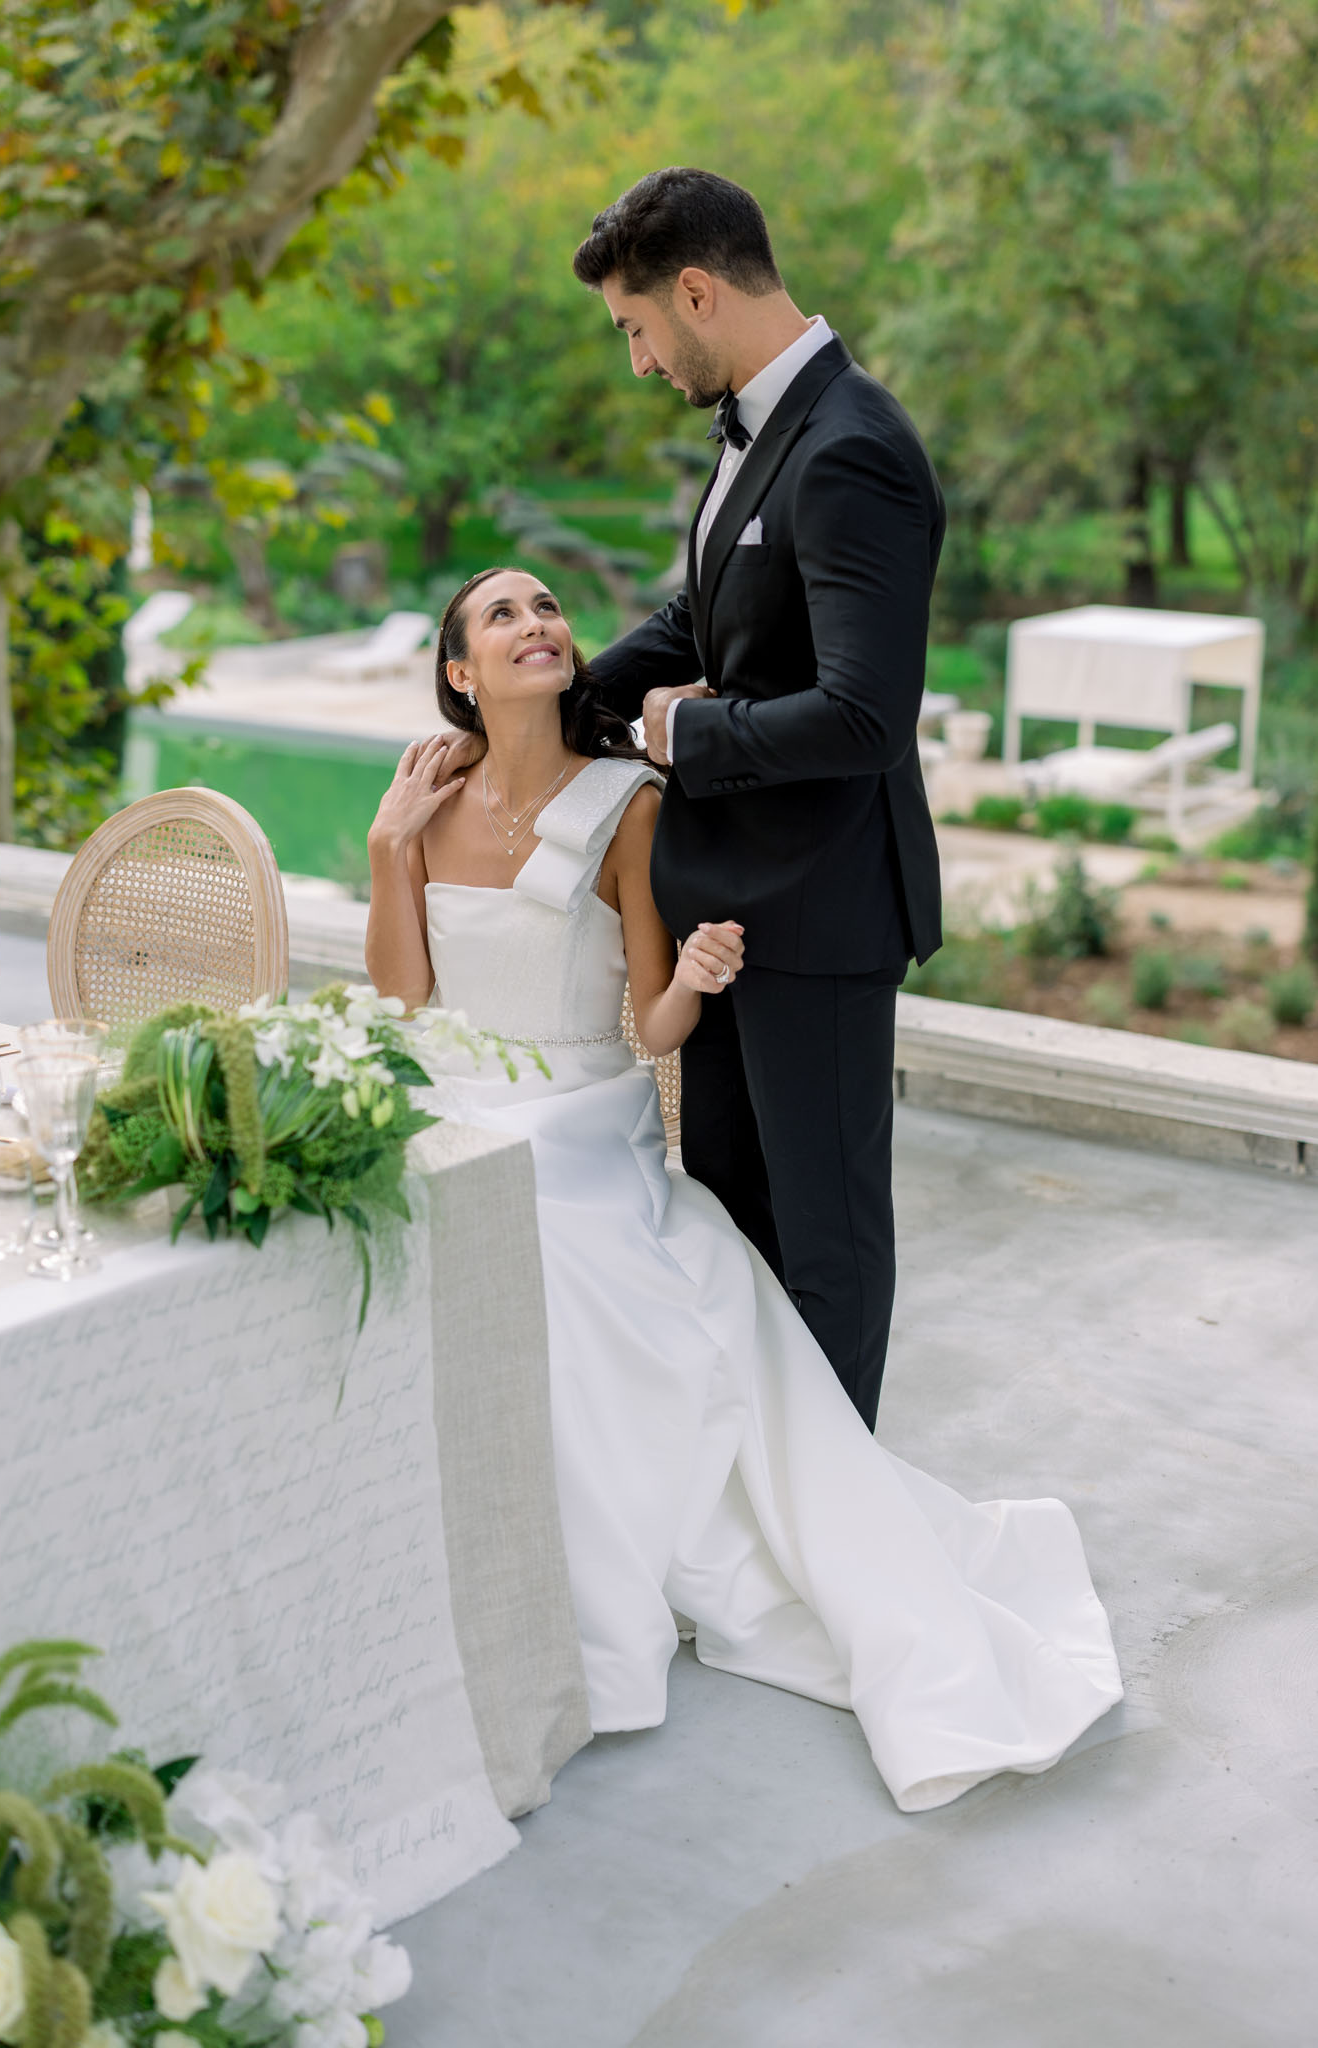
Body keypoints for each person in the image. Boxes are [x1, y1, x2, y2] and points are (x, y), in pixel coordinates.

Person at [364, 566, 1122, 1815]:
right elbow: (401, 999)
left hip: (579, 1118)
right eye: (503, 615)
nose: (539, 624)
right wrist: (394, 846)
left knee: (536, 1227)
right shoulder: (422, 807)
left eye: (549, 607)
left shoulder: (628, 804)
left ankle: (573, 1601)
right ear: (459, 672)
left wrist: (704, 971)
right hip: (455, 1096)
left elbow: (653, 1025)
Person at [573, 166, 945, 1433]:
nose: (636, 361)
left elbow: (864, 715)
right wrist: (558, 700)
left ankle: (840, 1550)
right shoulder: (754, 427)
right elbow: (706, 613)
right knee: (726, 1222)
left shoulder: (857, 449)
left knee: (824, 1250)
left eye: (634, 328)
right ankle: (754, 1510)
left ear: (694, 291)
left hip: (825, 916)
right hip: (727, 913)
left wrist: (684, 729)